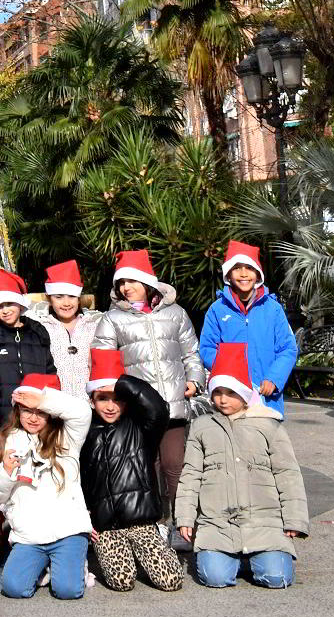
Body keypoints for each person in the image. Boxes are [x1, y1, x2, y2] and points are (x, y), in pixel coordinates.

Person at [175, 343, 309, 589]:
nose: (222, 400)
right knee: (215, 578)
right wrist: (185, 517)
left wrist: (295, 520)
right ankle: (233, 558)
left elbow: (288, 474)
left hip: (264, 523)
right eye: (217, 392)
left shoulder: (268, 425)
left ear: (245, 393)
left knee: (276, 578)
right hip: (217, 525)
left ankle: (254, 557)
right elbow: (191, 475)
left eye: (230, 393)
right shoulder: (202, 426)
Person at [92, 250, 204, 521]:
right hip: (139, 409)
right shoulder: (112, 319)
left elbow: (191, 352)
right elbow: (104, 359)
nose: (125, 287)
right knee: (147, 466)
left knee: (175, 465)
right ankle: (155, 522)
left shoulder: (175, 313)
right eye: (121, 283)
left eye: (131, 281)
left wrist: (195, 380)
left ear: (147, 282)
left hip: (174, 404)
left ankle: (184, 522)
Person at [0, 372, 93, 601]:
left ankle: (71, 564)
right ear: (17, 410)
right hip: (29, 535)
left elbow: (83, 412)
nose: (33, 418)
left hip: (67, 531)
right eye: (27, 411)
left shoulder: (67, 437)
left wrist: (42, 399)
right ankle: (45, 566)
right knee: (13, 588)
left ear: (51, 413)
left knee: (67, 591)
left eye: (40, 412)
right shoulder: (2, 442)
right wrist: (5, 473)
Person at [80, 348, 183, 593]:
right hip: (106, 526)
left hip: (142, 521)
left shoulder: (141, 427)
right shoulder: (84, 432)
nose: (111, 406)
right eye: (102, 398)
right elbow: (81, 480)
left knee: (171, 581)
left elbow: (158, 407)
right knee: (121, 582)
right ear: (92, 401)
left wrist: (122, 382)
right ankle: (123, 555)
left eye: (117, 399)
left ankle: (152, 544)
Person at [199, 241, 298, 417]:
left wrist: (274, 378)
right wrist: (229, 376)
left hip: (265, 395)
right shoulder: (217, 310)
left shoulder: (273, 309)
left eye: (249, 268)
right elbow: (207, 348)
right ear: (228, 275)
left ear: (258, 274)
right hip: (231, 397)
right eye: (237, 268)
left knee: (264, 441)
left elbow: (287, 349)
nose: (244, 274)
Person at [0, 270, 56, 429]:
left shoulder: (37, 333)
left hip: (35, 414)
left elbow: (50, 371)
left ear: (20, 303)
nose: (5, 310)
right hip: (2, 416)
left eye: (9, 304)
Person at [30, 261, 101, 400]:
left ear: (79, 299)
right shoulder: (41, 328)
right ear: (50, 299)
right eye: (59, 297)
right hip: (56, 405)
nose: (66, 303)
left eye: (72, 296)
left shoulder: (93, 327)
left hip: (89, 404)